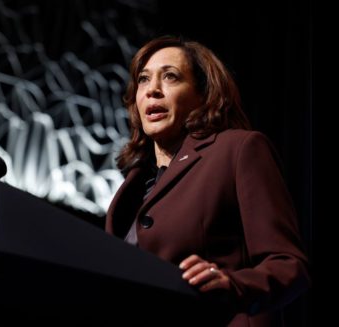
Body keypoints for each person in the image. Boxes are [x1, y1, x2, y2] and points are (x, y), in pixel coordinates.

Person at [105, 35, 310, 326]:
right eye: (143, 79)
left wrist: (233, 284)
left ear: (203, 95)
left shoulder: (238, 150)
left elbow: (289, 266)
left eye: (171, 77)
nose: (153, 90)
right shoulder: (134, 184)